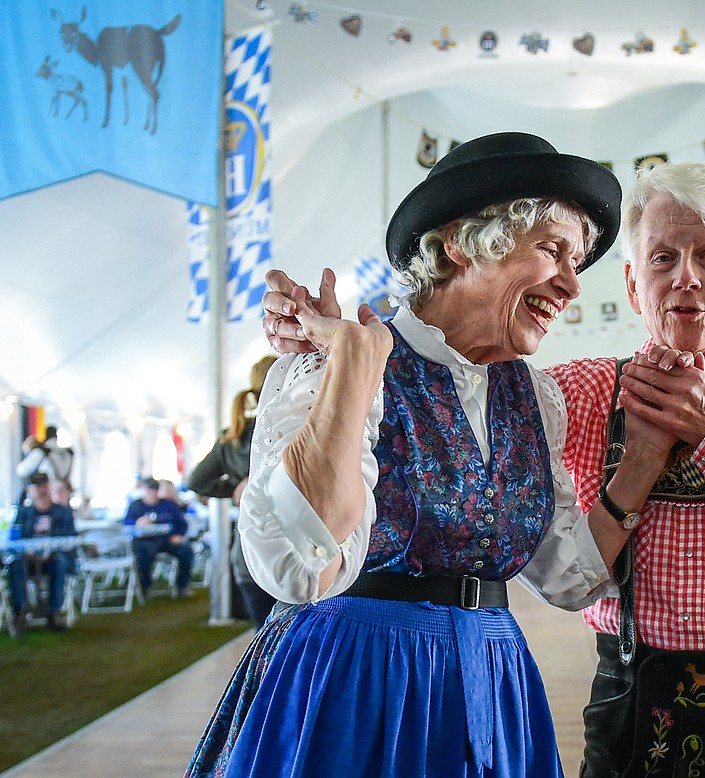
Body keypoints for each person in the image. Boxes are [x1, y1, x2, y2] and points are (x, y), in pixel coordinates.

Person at [261, 159, 705, 777]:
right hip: (623, 692)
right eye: (662, 258)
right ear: (634, 285)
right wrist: (333, 362)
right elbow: (453, 381)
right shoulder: (576, 393)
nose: (686, 277)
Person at [188, 132, 630, 777]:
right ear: (458, 243)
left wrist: (641, 460)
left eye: (578, 261)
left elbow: (568, 578)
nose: (570, 283)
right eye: (552, 250)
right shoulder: (333, 362)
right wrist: (350, 371)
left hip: (493, 675)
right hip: (356, 679)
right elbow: (294, 567)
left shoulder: (535, 396)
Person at [187, 354, 279, 629]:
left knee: (264, 646)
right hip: (289, 552)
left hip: (249, 554)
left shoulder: (234, 436)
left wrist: (239, 488)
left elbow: (197, 481)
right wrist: (244, 488)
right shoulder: (288, 429)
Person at [5, 472, 77, 633]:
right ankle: (20, 612)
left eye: (43, 486)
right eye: (37, 487)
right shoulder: (23, 513)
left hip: (53, 559)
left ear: (48, 487)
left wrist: (49, 552)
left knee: (59, 562)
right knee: (16, 564)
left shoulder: (62, 512)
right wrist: (28, 552)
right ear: (30, 490)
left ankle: (53, 613)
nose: (41, 490)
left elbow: (70, 540)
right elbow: (14, 539)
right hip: (28, 560)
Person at [123, 476, 194, 598]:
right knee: (144, 552)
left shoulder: (168, 505)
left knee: (186, 551)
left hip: (167, 540)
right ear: (144, 490)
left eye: (155, 489)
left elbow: (182, 523)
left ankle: (182, 586)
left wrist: (179, 535)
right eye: (149, 489)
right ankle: (145, 585)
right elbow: (126, 524)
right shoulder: (136, 506)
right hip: (145, 541)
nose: (152, 492)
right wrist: (137, 523)